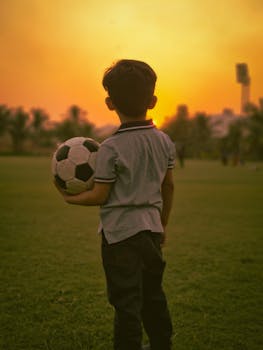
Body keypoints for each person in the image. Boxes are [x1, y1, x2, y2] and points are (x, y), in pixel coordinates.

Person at [54, 59, 175, 350]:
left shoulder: (111, 147)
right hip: (150, 232)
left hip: (120, 237)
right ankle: (162, 344)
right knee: (153, 294)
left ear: (109, 103)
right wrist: (162, 225)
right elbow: (168, 186)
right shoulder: (164, 141)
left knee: (126, 301)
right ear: (153, 100)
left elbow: (99, 195)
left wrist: (69, 198)